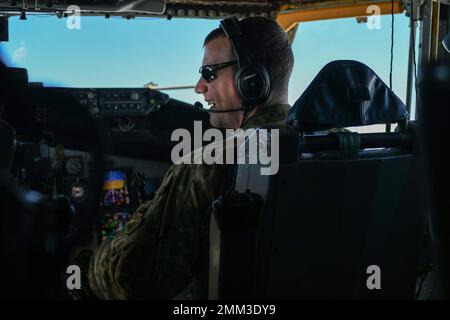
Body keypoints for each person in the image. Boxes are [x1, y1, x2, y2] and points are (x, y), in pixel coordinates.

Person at [87, 16, 294, 299]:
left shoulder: (207, 164)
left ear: (251, 80)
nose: (199, 87)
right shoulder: (342, 147)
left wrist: (88, 262)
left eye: (209, 73)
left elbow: (134, 282)